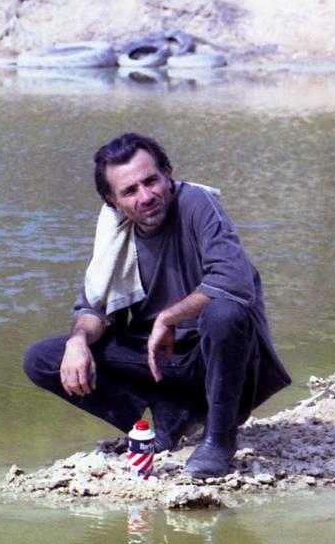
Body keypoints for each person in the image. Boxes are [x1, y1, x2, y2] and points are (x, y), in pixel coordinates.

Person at [22, 132, 291, 478]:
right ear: (112, 201)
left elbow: (235, 281)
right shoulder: (115, 232)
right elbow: (93, 311)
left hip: (221, 361)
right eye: (130, 191)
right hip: (160, 363)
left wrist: (170, 316)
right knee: (43, 359)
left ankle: (220, 439)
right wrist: (77, 342)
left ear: (168, 173)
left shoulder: (196, 204)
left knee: (224, 311)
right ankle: (167, 412)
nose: (146, 196)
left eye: (151, 181)